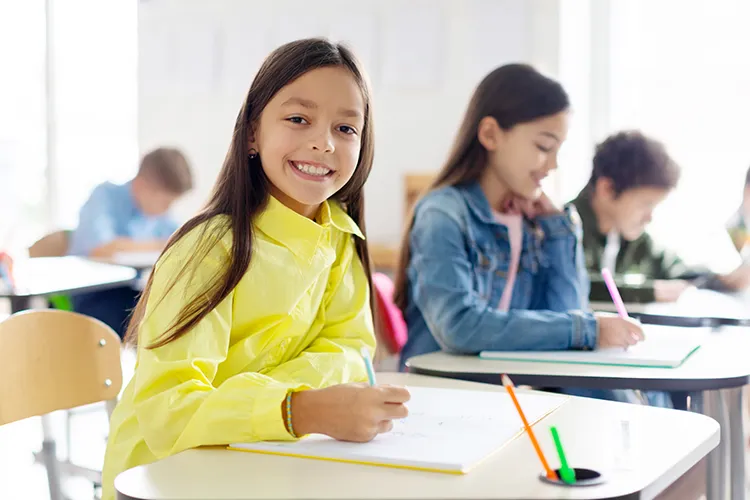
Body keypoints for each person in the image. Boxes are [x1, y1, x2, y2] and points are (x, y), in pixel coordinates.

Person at [101, 38, 409, 500]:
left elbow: (354, 352)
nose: (323, 142)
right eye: (298, 119)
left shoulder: (340, 238)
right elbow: (168, 412)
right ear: (252, 133)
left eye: (346, 128)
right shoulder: (209, 249)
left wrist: (272, 401)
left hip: (262, 459)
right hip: (166, 477)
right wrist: (298, 409)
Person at [392, 64, 661, 406]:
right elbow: (459, 327)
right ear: (490, 135)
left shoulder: (535, 223)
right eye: (543, 146)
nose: (552, 165)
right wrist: (588, 329)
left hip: (507, 394)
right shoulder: (444, 214)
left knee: (628, 399)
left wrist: (560, 232)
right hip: (443, 397)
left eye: (558, 150)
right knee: (615, 403)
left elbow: (565, 313)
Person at [572, 131, 750, 303]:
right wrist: (649, 292)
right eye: (645, 204)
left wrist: (721, 280)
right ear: (607, 189)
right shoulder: (561, 230)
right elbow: (575, 284)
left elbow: (676, 270)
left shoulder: (635, 241)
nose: (649, 217)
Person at [68, 147, 193, 337]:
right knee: (143, 312)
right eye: (165, 202)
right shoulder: (104, 197)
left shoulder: (160, 216)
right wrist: (158, 244)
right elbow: (101, 249)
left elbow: (181, 242)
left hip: (129, 290)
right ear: (142, 186)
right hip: (90, 293)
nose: (167, 209)